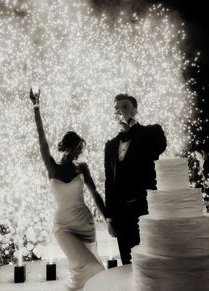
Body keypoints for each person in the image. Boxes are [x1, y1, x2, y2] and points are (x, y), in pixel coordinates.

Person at [30, 88, 105, 290]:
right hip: (63, 226)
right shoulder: (51, 166)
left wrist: (109, 219)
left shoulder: (83, 168)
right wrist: (36, 106)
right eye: (73, 148)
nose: (76, 153)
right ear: (64, 147)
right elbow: (41, 139)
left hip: (86, 225)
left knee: (87, 275)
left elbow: (95, 193)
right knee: (92, 267)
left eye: (79, 150)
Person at [104, 94, 167, 265]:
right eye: (116, 108)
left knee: (150, 260)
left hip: (145, 208)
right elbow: (109, 182)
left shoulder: (151, 133)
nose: (120, 111)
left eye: (124, 106)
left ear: (135, 110)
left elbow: (159, 146)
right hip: (121, 214)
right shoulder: (110, 145)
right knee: (128, 261)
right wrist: (109, 217)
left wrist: (132, 126)